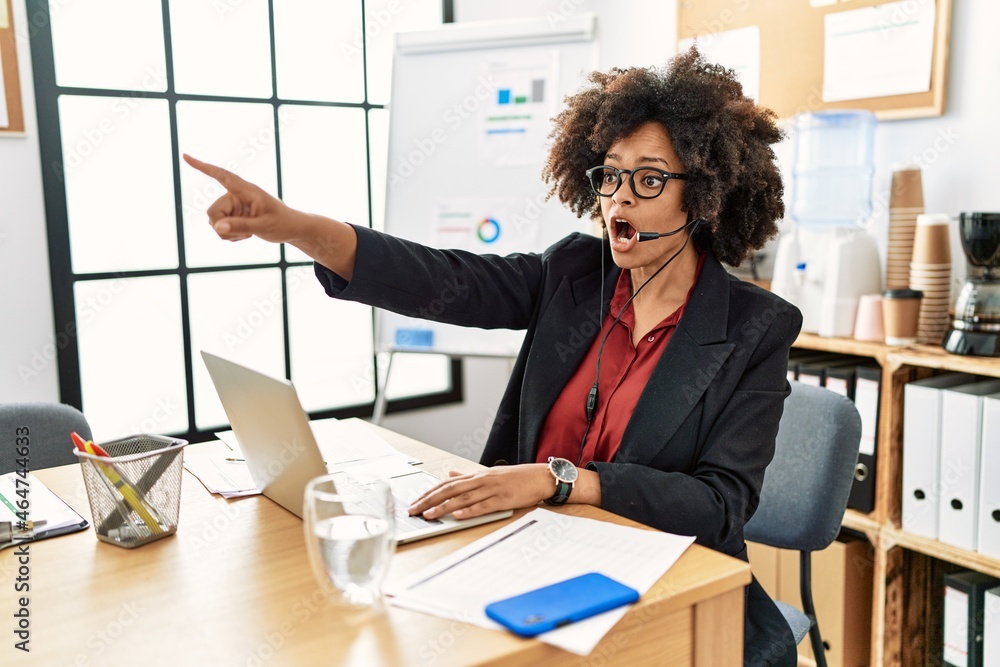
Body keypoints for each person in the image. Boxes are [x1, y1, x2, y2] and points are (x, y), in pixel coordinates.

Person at [186, 47, 801, 666]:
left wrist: (558, 481)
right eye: (610, 175)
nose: (619, 200)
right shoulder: (574, 275)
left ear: (704, 196)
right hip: (531, 559)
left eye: (649, 179)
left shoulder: (755, 328)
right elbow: (442, 279)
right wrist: (294, 225)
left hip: (672, 591)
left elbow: (720, 506)